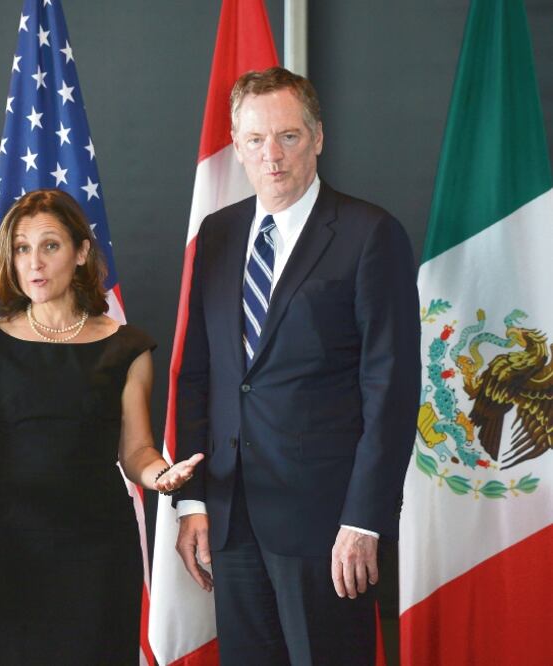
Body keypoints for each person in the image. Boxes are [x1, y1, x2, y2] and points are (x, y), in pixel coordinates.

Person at [174, 67, 420, 665]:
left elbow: (390, 389)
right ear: (237, 146)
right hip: (231, 517)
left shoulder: (369, 234)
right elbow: (200, 373)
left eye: (288, 136)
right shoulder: (218, 234)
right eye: (256, 140)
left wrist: (364, 519)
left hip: (327, 525)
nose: (272, 155)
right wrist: (194, 502)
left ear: (318, 137)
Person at [0, 189, 203, 664]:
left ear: (80, 252)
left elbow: (136, 450)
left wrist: (161, 475)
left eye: (50, 245)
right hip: (10, 547)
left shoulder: (127, 347)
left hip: (98, 549)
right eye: (21, 248)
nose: (34, 262)